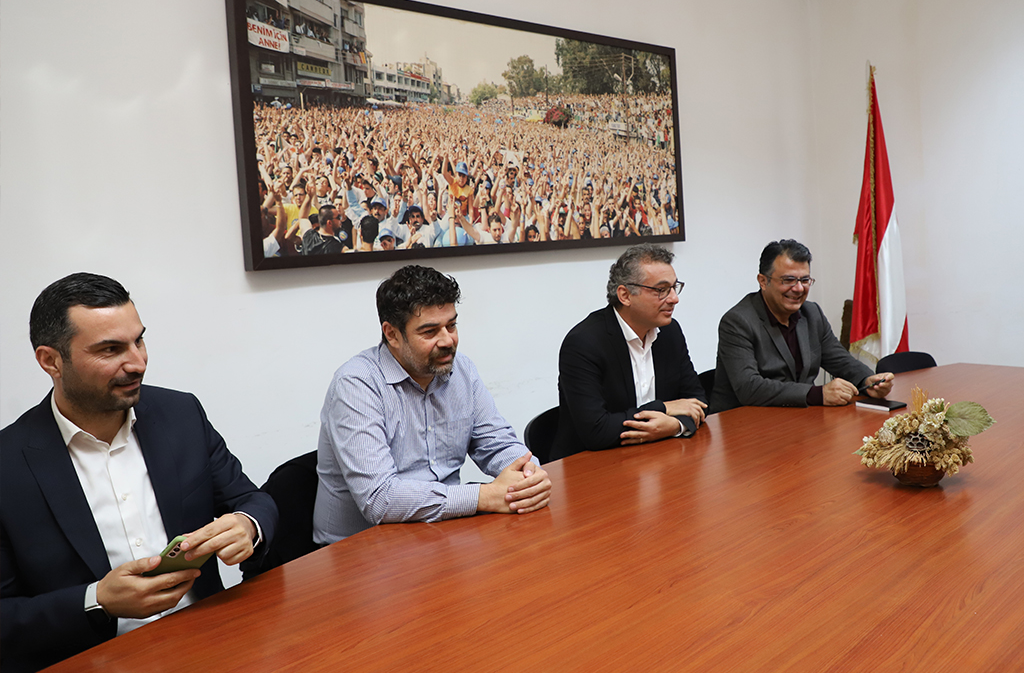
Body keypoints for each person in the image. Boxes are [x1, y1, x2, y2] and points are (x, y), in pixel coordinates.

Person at [0, 273, 277, 672]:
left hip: (211, 641)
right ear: (51, 361)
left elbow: (252, 499)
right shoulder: (9, 464)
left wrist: (247, 525)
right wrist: (97, 600)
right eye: (110, 349)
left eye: (139, 341)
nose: (138, 363)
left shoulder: (181, 415)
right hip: (94, 661)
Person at [313, 265, 551, 544]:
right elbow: (379, 499)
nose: (447, 340)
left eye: (451, 325)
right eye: (430, 331)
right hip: (361, 550)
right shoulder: (356, 384)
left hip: (442, 533)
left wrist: (528, 475)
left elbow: (497, 443)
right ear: (392, 334)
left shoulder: (461, 370)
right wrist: (483, 496)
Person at [552, 244, 707, 461]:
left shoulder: (670, 332)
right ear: (625, 295)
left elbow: (697, 401)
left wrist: (674, 425)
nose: (674, 298)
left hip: (658, 457)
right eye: (661, 290)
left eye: (674, 287)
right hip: (594, 465)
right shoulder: (583, 343)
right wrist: (663, 408)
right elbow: (596, 431)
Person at [710, 239, 894, 413]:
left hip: (796, 417)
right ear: (763, 281)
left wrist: (867, 380)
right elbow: (749, 387)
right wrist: (817, 394)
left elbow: (840, 360)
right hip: (742, 422)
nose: (799, 288)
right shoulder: (737, 322)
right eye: (788, 280)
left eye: (805, 280)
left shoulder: (812, 313)